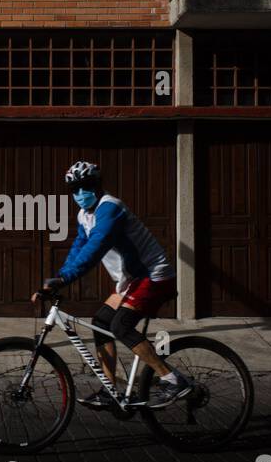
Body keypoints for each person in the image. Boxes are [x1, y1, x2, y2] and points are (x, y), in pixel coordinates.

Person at [31, 161, 193, 409]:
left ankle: (173, 379)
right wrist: (59, 278)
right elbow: (79, 249)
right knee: (101, 322)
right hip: (132, 281)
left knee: (121, 325)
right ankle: (109, 390)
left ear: (97, 185)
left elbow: (96, 247)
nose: (79, 194)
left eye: (84, 186)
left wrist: (65, 279)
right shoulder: (84, 215)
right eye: (74, 189)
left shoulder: (111, 209)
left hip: (154, 277)